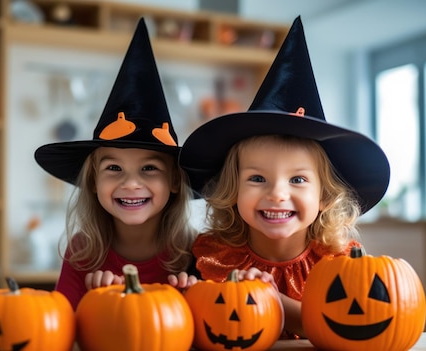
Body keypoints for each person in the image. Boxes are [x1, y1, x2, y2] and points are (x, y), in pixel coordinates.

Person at [178, 16, 390, 339]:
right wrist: (185, 298)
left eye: (298, 180)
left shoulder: (341, 265)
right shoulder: (214, 258)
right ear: (233, 190)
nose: (277, 194)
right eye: (257, 179)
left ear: (324, 196)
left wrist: (270, 299)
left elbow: (347, 326)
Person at [34, 18, 198, 310]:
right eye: (113, 168)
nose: (131, 183)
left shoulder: (196, 251)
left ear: (174, 180)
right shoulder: (83, 252)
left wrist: (192, 298)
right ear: (94, 181)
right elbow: (61, 326)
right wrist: (98, 302)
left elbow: (215, 321)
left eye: (149, 168)